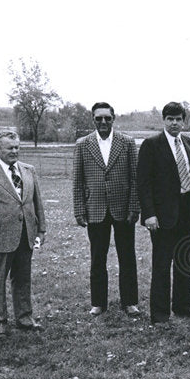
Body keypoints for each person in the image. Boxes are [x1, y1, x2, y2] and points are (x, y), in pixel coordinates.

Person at [0, 129, 47, 338]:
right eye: (9, 148)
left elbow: (37, 202)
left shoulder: (28, 170)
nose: (14, 151)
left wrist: (41, 229)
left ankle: (25, 318)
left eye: (17, 147)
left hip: (26, 234)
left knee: (23, 278)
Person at [136, 102, 190, 323]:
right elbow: (143, 183)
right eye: (170, 119)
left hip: (187, 212)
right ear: (164, 120)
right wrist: (149, 214)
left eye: (178, 119)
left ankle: (183, 306)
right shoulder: (151, 144)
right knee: (161, 264)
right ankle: (159, 314)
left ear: (183, 121)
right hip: (162, 216)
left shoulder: (188, 143)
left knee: (183, 261)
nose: (174, 123)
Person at [72, 102, 141, 317]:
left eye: (107, 118)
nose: (103, 122)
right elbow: (78, 180)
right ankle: (98, 303)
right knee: (97, 258)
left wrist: (134, 207)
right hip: (96, 209)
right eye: (98, 118)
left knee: (127, 257)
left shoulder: (127, 143)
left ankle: (129, 302)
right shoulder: (83, 144)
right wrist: (79, 210)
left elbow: (135, 179)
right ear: (93, 119)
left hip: (122, 210)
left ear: (114, 118)